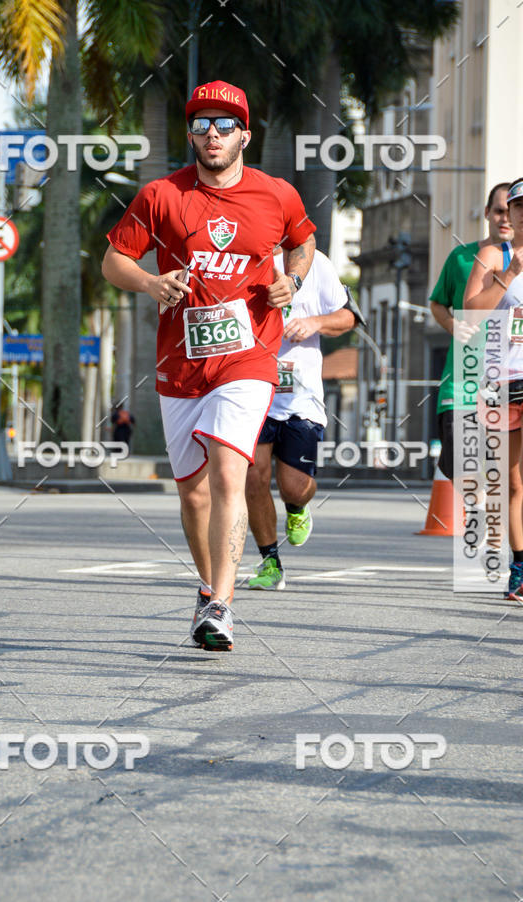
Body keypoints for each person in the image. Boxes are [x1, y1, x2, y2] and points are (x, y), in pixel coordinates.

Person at [102, 80, 316, 650]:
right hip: (181, 362)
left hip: (248, 357)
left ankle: (221, 605)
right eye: (201, 125)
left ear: (246, 134)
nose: (213, 134)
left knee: (229, 472)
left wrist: (290, 281)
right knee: (193, 493)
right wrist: (151, 281)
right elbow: (113, 261)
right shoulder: (160, 196)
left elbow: (303, 244)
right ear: (190, 134)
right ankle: (206, 588)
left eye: (225, 125)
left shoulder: (277, 195)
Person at [245, 249, 355, 589]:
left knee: (295, 487)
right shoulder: (239, 258)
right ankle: (270, 563)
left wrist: (314, 323)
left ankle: (297, 507)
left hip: (300, 400)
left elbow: (349, 317)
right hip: (251, 390)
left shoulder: (314, 263)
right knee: (254, 478)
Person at [464, 177, 523, 599]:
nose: (521, 214)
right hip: (505, 378)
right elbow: (472, 315)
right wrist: (511, 272)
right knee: (513, 482)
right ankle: (519, 568)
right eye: (517, 207)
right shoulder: (493, 255)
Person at [430, 182, 512, 482]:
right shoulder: (461, 258)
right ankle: (479, 521)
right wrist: (453, 325)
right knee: (465, 473)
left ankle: (490, 526)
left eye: (511, 211)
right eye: (498, 211)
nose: (505, 219)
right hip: (463, 385)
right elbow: (437, 303)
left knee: (505, 481)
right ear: (487, 213)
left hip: (509, 386)